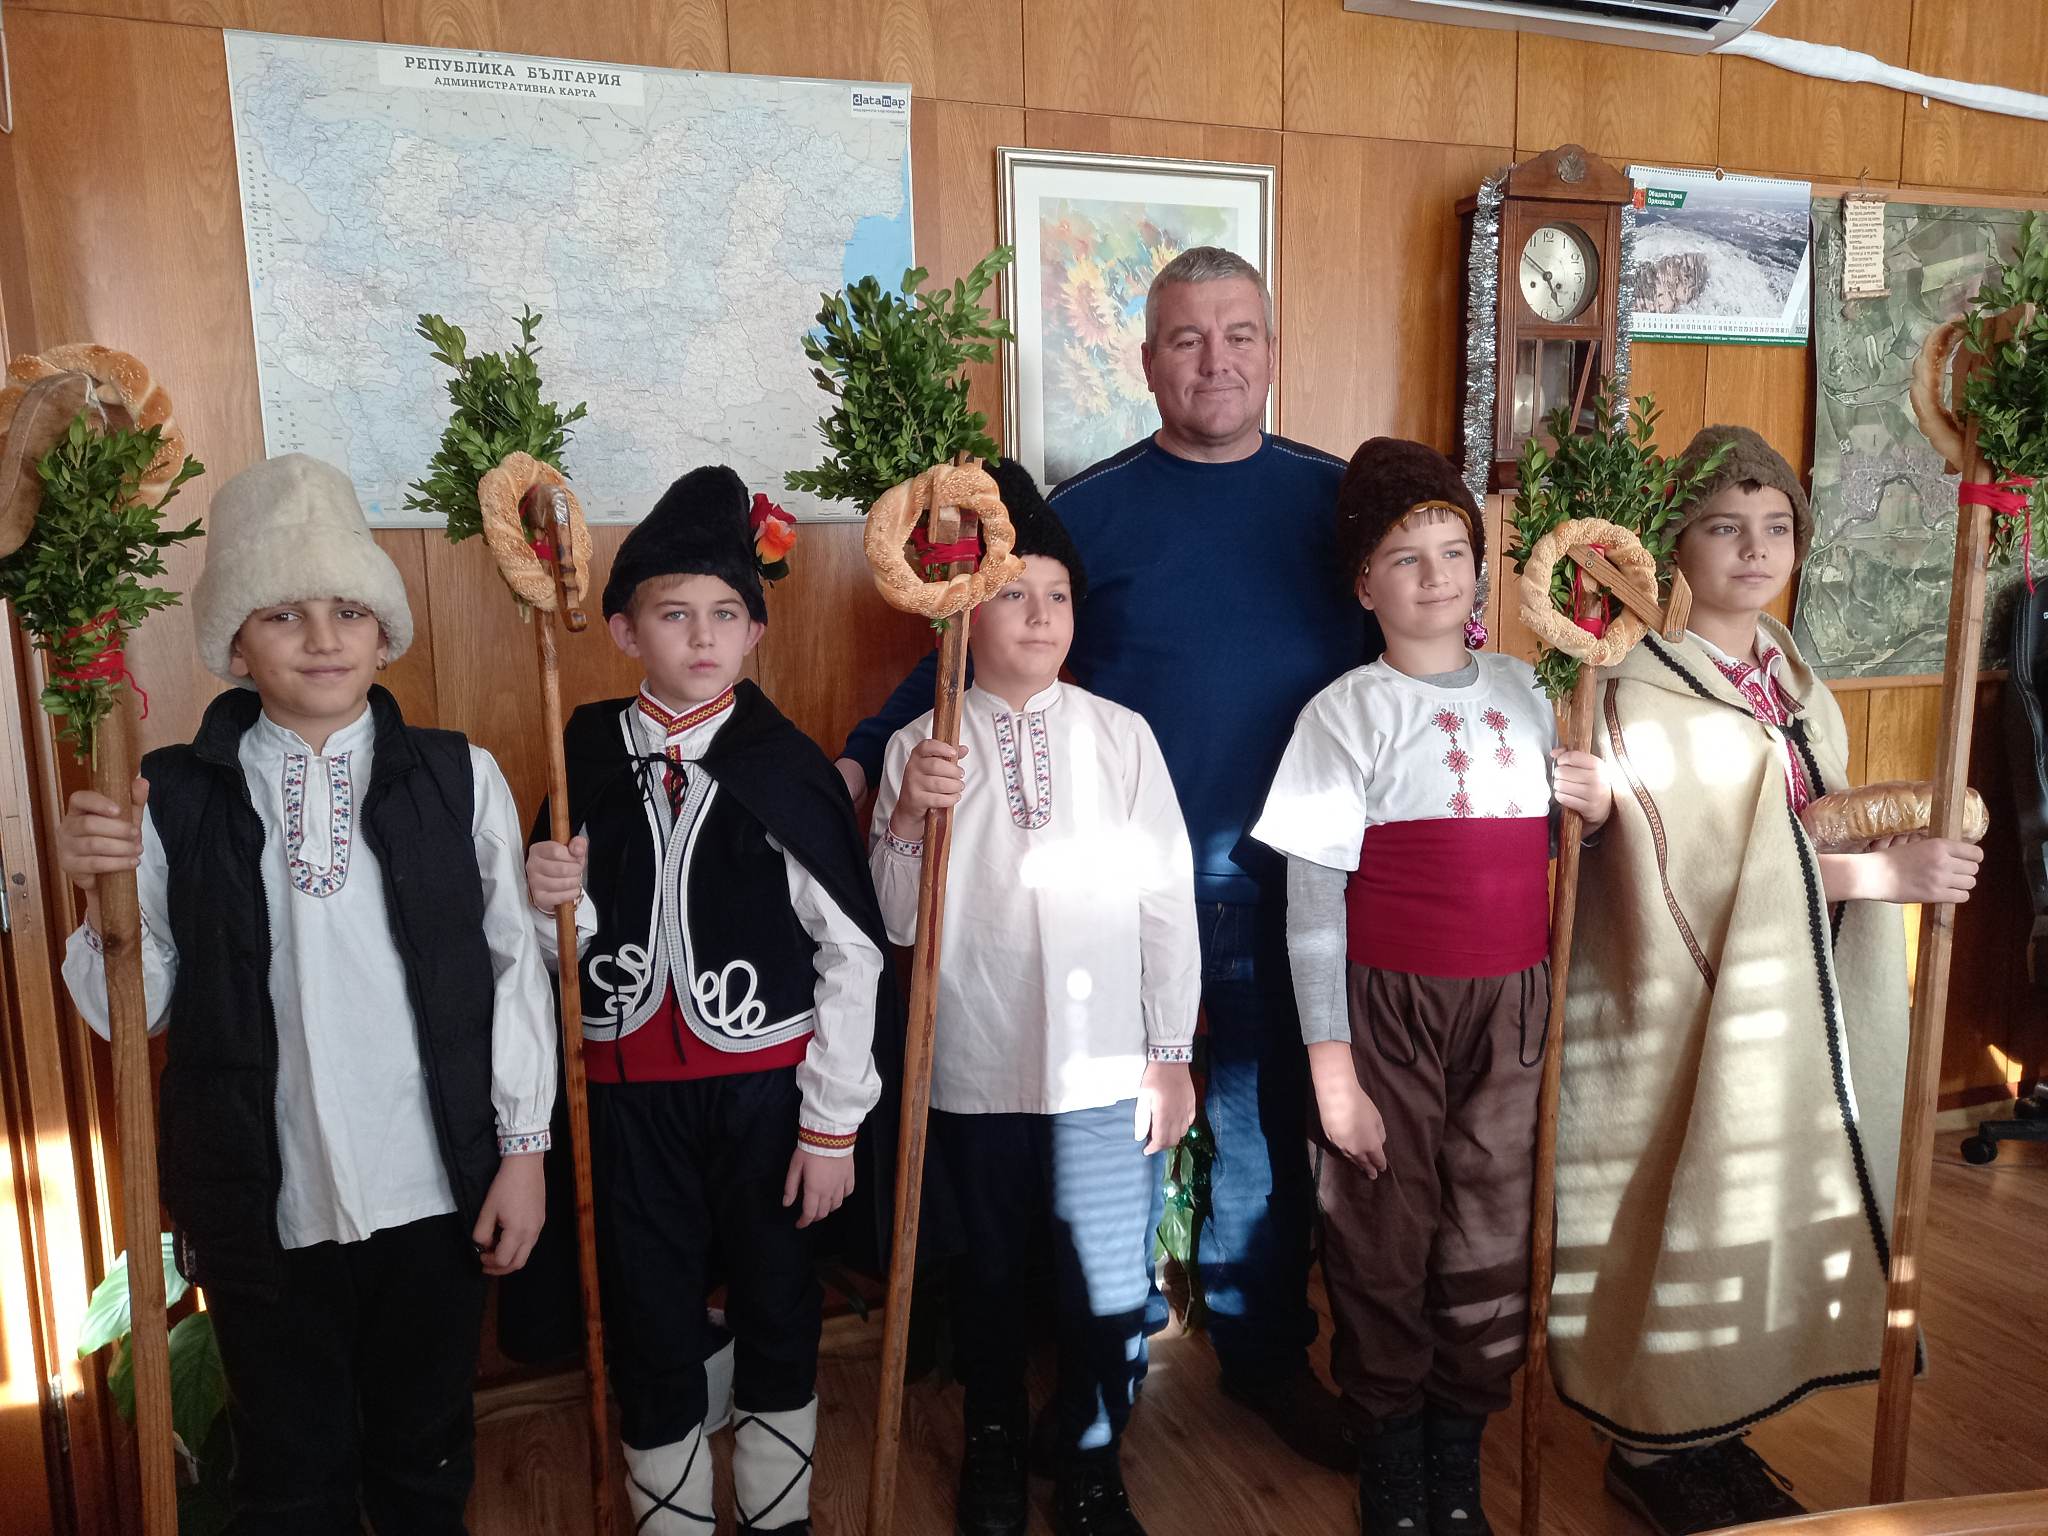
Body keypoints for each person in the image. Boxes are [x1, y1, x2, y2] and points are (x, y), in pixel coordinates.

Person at [839, 248, 1374, 1465]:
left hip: (1286, 889)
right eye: (1185, 338)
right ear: (1144, 362)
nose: (1214, 361)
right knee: (1094, 1158)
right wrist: (867, 757)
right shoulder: (1085, 511)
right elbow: (960, 649)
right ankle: (1083, 1379)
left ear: (1272, 350)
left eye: (1238, 334)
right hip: (1112, 907)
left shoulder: (1332, 499)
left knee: (1260, 1142)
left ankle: (1262, 1358)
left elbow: (1402, 649)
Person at [53, 453, 556, 1533]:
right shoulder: (172, 796)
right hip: (264, 1201)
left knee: (425, 1456)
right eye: (284, 614)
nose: (323, 638)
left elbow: (515, 967)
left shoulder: (457, 776)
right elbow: (134, 1006)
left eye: (348, 611)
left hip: (434, 1188)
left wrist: (524, 1151)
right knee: (289, 1476)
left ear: (385, 633)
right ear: (237, 645)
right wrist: (101, 891)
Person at [1549, 426, 1985, 1535]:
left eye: (1776, 527)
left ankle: (1714, 1422)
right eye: (1723, 527)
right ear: (1674, 544)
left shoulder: (1795, 683)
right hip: (1673, 1000)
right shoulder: (1641, 687)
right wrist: (1878, 876)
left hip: (1785, 985)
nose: (1754, 550)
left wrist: (1879, 850)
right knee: (1677, 1199)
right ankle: (1651, 1444)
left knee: (1755, 1201)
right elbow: (1700, 868)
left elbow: (1800, 822)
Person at [524, 466, 892, 1536]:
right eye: (673, 613)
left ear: (755, 633)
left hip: (767, 1098)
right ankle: (672, 1521)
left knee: (778, 1296)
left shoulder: (783, 764)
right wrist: (551, 898)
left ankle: (778, 1518)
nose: (701, 637)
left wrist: (830, 1126)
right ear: (623, 630)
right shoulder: (580, 750)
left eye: (725, 614)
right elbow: (550, 953)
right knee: (646, 1310)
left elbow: (849, 950)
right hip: (627, 1100)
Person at [1253, 440, 1608, 1535]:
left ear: (1482, 564)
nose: (1436, 575)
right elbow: (1312, 906)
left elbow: (1578, 850)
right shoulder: (1343, 714)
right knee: (1380, 1229)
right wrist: (1333, 1072)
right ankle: (1391, 1456)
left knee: (1491, 1227)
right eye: (1405, 558)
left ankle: (1458, 1450)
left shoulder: (1537, 693)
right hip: (1387, 1015)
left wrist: (1594, 806)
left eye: (1453, 550)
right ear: (1364, 585)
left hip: (1510, 1011)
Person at [869, 459, 1200, 1536]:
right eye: (1015, 593)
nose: (1042, 615)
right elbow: (898, 922)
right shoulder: (922, 744)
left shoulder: (1120, 736)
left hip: (1106, 1072)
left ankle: (1094, 1463)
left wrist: (1168, 1052)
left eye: (1057, 595)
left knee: (1104, 1282)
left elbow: (1166, 902)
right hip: (976, 1065)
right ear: (964, 606)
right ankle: (996, 1444)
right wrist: (907, 819)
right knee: (990, 1277)